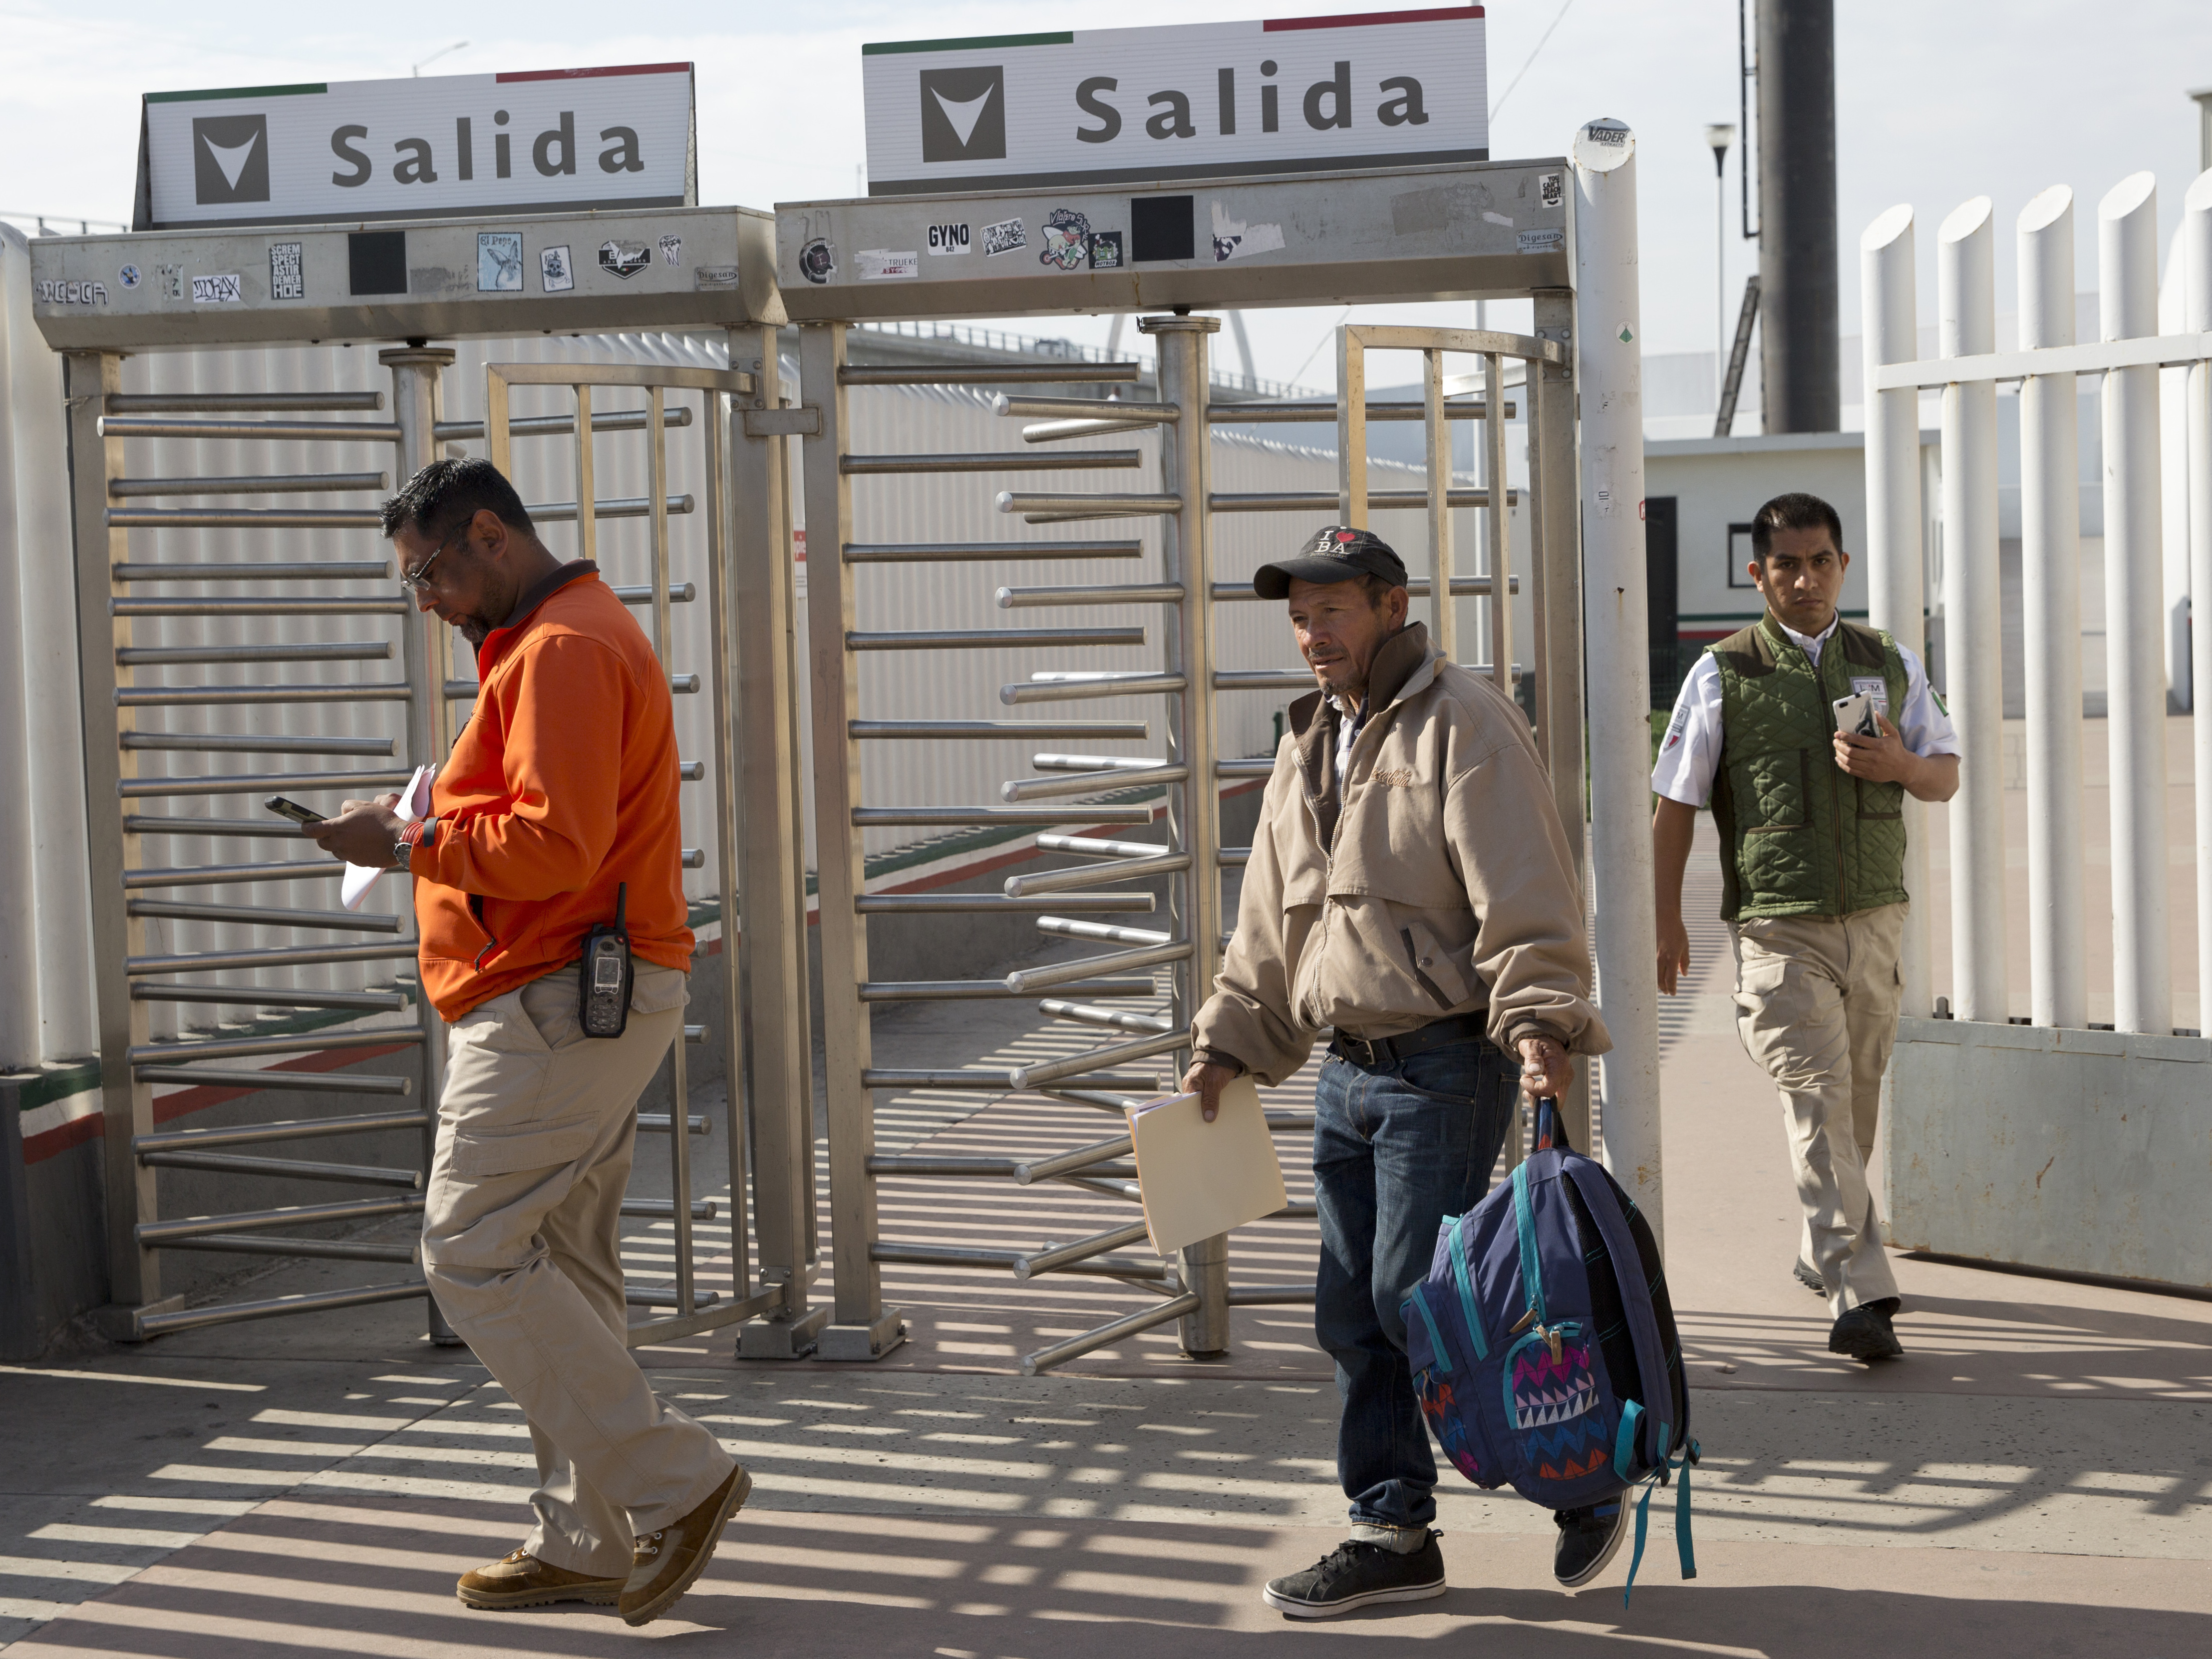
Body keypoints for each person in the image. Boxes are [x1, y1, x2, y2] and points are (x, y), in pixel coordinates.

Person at [307, 458, 745, 1627]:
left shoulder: (560, 648)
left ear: (489, 536)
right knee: (565, 1266)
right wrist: (427, 821)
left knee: (471, 1254)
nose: (429, 602)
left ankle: (677, 1484)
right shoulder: (550, 641)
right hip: (563, 992)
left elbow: (553, 847)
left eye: (430, 575)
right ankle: (585, 1539)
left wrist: (403, 846)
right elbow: (537, 821)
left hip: (555, 1000)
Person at [1179, 526, 1616, 1616]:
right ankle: (1392, 1529)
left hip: (1442, 1061)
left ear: (1389, 605)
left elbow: (1523, 885)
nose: (1310, 633)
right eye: (1297, 615)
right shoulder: (1306, 743)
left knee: (1418, 1298)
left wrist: (1541, 1017)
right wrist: (1227, 1038)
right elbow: (1269, 919)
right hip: (1346, 1070)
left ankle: (1588, 1467)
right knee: (1352, 1309)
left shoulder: (1461, 723)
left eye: (1331, 610)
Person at [1649, 491, 1960, 1364]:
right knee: (1816, 1097)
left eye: (1821, 560)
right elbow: (1674, 803)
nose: (1805, 578)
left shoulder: (1888, 660)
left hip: (1875, 918)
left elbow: (1945, 776)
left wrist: (1898, 763)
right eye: (1786, 564)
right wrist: (1667, 917)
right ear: (1758, 575)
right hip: (1778, 928)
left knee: (1855, 1102)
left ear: (1842, 567)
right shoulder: (1724, 673)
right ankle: (1860, 1292)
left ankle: (1815, 1247)